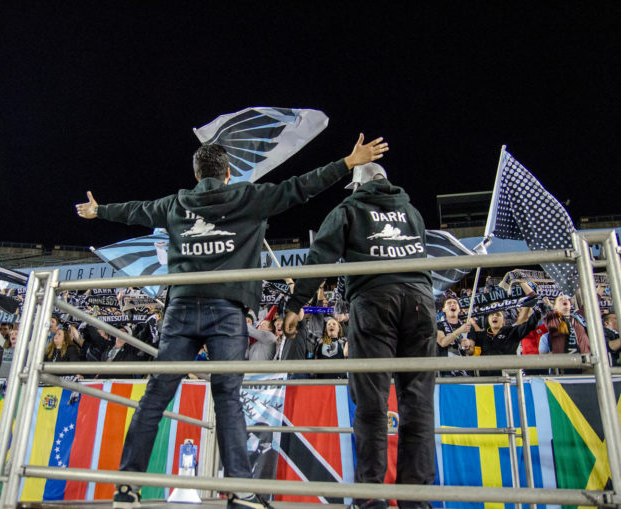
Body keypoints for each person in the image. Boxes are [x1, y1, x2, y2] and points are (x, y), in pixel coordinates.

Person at [76, 134, 388, 509]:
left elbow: (134, 210)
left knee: (156, 395)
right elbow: (300, 187)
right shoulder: (247, 197)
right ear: (228, 173)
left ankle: (126, 486)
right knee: (228, 399)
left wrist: (100, 210)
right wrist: (347, 163)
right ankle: (240, 492)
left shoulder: (176, 203)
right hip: (228, 312)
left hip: (181, 309)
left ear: (196, 174)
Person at [284, 161, 435, 509]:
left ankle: (371, 499)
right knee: (418, 403)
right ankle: (418, 499)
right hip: (421, 303)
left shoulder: (349, 208)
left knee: (371, 403)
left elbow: (320, 256)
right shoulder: (411, 210)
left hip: (374, 300)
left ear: (358, 186)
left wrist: (296, 302)